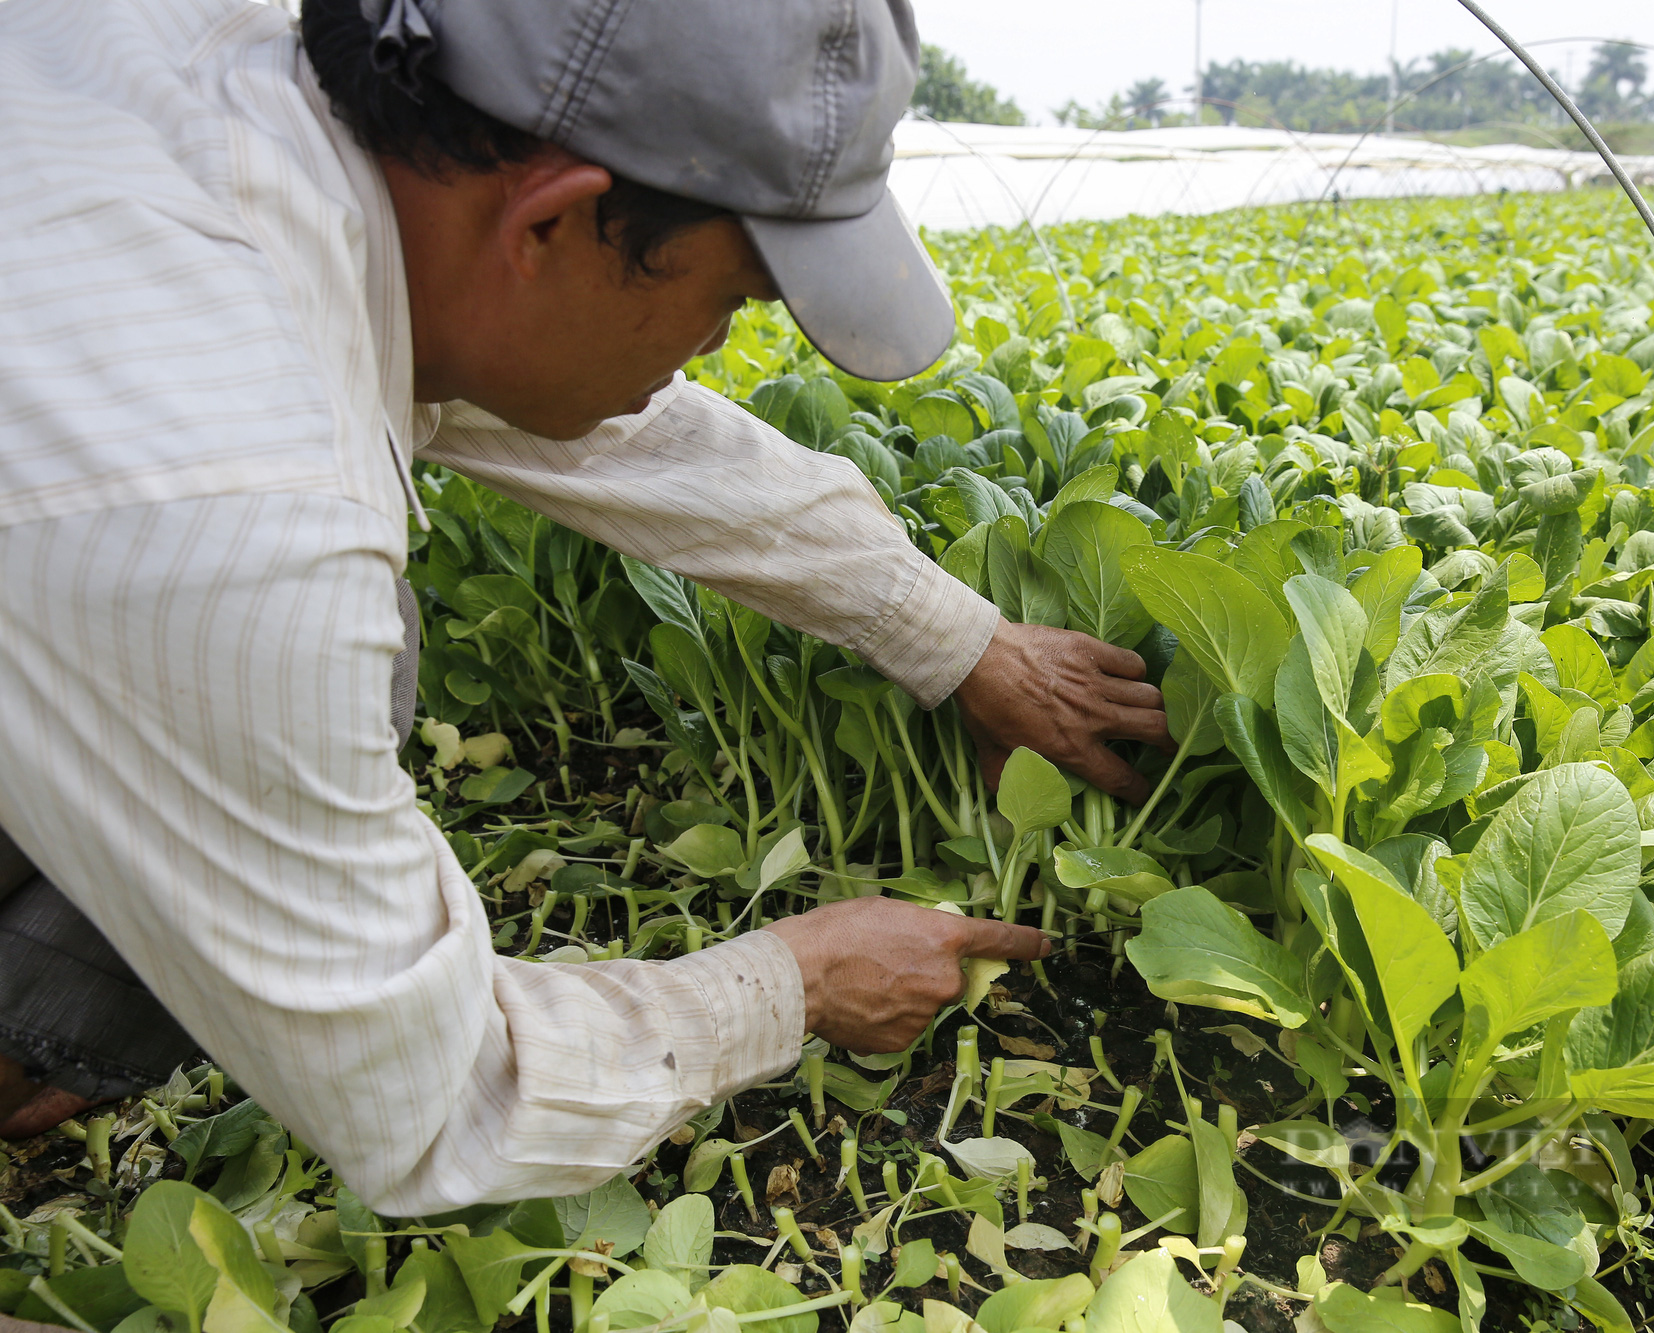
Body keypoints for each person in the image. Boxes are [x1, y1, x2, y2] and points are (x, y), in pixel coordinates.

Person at [0, 0, 1170, 1214]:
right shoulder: (221, 497)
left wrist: (956, 636)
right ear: (551, 218)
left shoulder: (229, 108)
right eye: (733, 302)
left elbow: (631, 434)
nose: (711, 347)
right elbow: (436, 1097)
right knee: (346, 672)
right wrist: (795, 983)